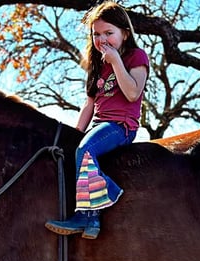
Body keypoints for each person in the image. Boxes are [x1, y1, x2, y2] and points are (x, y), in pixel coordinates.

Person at [45, 1, 149, 239]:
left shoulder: (136, 57)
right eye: (97, 34)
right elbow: (89, 104)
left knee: (87, 150)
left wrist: (116, 63)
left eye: (109, 33)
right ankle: (89, 220)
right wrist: (73, 134)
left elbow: (133, 92)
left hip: (121, 126)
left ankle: (93, 212)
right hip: (98, 126)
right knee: (76, 149)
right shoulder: (96, 66)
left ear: (124, 33)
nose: (102, 39)